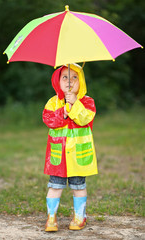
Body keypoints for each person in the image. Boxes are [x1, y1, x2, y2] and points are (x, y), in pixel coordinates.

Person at [42, 63, 98, 231]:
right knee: (55, 186)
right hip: (58, 156)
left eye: (75, 77)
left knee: (79, 186)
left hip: (78, 155)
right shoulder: (53, 102)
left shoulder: (87, 102)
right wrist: (63, 112)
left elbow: (84, 119)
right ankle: (51, 218)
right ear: (57, 81)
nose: (69, 81)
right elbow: (48, 119)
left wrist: (75, 105)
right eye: (65, 77)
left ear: (81, 81)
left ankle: (79, 217)